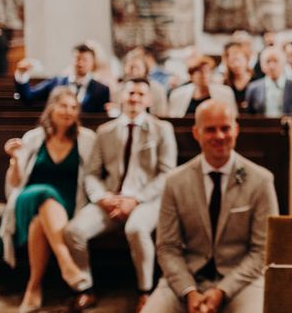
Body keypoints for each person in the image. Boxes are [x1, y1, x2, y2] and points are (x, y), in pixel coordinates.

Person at [142, 100, 278, 313]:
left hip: (242, 280)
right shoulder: (175, 181)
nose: (219, 136)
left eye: (225, 128)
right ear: (196, 133)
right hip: (186, 277)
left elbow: (262, 251)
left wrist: (222, 291)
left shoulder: (261, 180)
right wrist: (189, 291)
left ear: (236, 129)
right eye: (210, 130)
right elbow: (167, 247)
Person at [66, 78, 178, 312]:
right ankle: (85, 289)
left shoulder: (162, 129)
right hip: (111, 197)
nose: (134, 98)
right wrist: (102, 198)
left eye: (140, 94)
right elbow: (92, 173)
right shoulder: (106, 131)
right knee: (73, 231)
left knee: (136, 229)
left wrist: (135, 200)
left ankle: (144, 292)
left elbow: (166, 173)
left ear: (148, 100)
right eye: (130, 93)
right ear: (121, 97)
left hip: (147, 200)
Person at [0, 88, 97, 312]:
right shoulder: (34, 138)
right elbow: (15, 184)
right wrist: (14, 160)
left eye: (73, 107)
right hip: (28, 199)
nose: (68, 112)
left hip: (67, 205)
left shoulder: (87, 139)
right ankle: (67, 264)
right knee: (44, 193)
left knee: (39, 224)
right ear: (51, 108)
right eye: (63, 106)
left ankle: (33, 288)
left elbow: (94, 176)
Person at [15, 43, 111, 113]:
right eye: (77, 59)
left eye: (85, 60)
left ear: (92, 63)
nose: (80, 63)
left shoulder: (102, 90)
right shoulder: (56, 82)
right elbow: (28, 97)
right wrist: (21, 75)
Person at [167, 56, 237, 117]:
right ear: (191, 75)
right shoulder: (177, 94)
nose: (204, 75)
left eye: (207, 71)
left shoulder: (225, 92)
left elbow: (232, 116)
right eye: (199, 72)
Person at [244, 47, 292, 117]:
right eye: (268, 61)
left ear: (283, 63)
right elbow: (249, 115)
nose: (272, 66)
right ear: (261, 65)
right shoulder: (253, 88)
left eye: (275, 61)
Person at [111, 52, 169, 118]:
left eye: (137, 67)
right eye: (131, 67)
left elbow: (161, 114)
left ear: (145, 69)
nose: (134, 71)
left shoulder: (157, 89)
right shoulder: (118, 90)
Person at [221, 43, 253, 111]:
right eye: (232, 61)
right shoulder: (225, 83)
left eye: (239, 60)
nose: (236, 64)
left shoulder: (256, 81)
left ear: (246, 59)